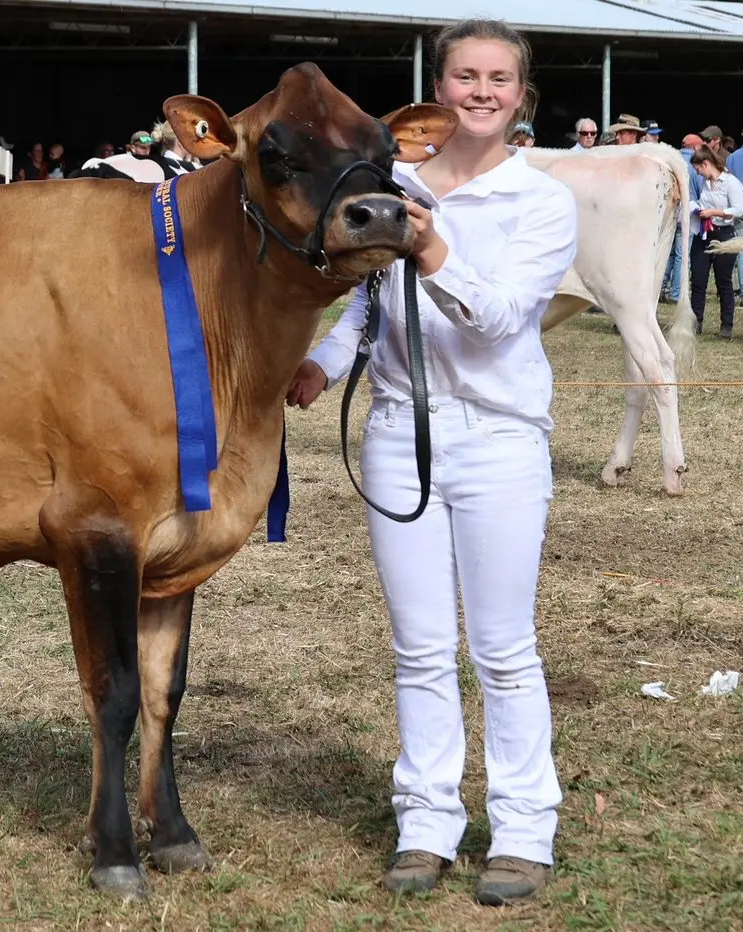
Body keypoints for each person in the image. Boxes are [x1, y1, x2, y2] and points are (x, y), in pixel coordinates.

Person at [286, 17, 577, 906]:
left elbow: (501, 320)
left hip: (498, 439)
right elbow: (368, 304)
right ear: (438, 89)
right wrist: (319, 365)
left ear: (521, 96)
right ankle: (426, 824)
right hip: (398, 435)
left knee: (503, 649)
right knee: (418, 648)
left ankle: (522, 831)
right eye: (465, 76)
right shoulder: (395, 186)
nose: (481, 91)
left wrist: (431, 248)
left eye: (498, 78)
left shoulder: (541, 201)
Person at [687, 146, 743, 338]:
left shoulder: (730, 182)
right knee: (698, 281)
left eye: (698, 169)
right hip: (704, 235)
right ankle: (696, 323)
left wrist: (715, 212)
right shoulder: (703, 182)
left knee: (723, 282)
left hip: (724, 234)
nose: (697, 173)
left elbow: (739, 209)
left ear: (706, 164)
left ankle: (726, 326)